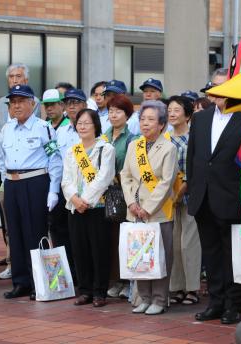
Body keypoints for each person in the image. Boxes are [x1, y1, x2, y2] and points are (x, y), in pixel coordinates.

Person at [187, 68, 241, 324]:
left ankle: (234, 304)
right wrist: (193, 189)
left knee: (233, 254)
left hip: (232, 198)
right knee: (211, 253)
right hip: (203, 197)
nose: (218, 93)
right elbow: (194, 158)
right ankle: (215, 302)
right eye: (214, 88)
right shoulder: (201, 119)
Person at [0, 85, 62, 301]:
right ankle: (21, 282)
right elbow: (0, 158)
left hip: (35, 182)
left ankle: (39, 282)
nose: (16, 105)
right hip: (13, 184)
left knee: (35, 233)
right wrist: (7, 180)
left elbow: (54, 159)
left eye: (21, 101)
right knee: (14, 234)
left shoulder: (43, 128)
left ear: (32, 104)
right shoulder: (7, 128)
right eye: (13, 102)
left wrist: (53, 190)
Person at [121, 100, 178, 315]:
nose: (145, 124)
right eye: (142, 119)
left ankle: (160, 299)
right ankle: (144, 298)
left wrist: (149, 207)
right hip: (135, 211)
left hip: (158, 213)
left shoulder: (169, 147)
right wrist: (132, 203)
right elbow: (125, 175)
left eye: (151, 120)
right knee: (139, 255)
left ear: (162, 124)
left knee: (161, 256)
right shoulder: (134, 145)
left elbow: (166, 181)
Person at [61, 109, 115, 307]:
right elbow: (66, 179)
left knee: (99, 250)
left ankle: (100, 291)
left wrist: (85, 200)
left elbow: (104, 178)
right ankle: (85, 290)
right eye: (79, 123)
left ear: (96, 126)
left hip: (97, 208)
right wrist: (74, 199)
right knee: (79, 249)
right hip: (75, 208)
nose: (82, 127)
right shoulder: (72, 151)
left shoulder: (105, 149)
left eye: (87, 123)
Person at [100, 94, 137, 299]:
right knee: (107, 240)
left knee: (122, 238)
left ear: (127, 115)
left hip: (122, 194)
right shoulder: (102, 137)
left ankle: (125, 281)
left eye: (118, 111)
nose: (113, 115)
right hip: (103, 194)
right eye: (111, 111)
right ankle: (113, 279)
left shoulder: (132, 139)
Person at [167, 96, 202, 305]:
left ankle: (193, 288)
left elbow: (194, 169)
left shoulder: (194, 138)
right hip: (167, 199)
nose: (171, 113)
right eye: (169, 109)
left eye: (176, 110)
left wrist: (181, 191)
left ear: (187, 115)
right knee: (173, 243)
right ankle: (176, 287)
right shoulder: (165, 139)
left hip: (189, 197)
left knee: (189, 244)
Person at [42, 88, 77, 281]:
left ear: (61, 106)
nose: (49, 109)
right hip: (48, 185)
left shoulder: (68, 126)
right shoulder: (43, 126)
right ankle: (60, 273)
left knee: (68, 230)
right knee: (54, 229)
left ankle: (74, 272)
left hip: (68, 187)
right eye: (46, 105)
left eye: (53, 104)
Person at [57, 89, 88, 159]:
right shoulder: (60, 131)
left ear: (84, 105)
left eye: (75, 102)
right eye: (68, 103)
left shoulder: (92, 130)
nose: (71, 107)